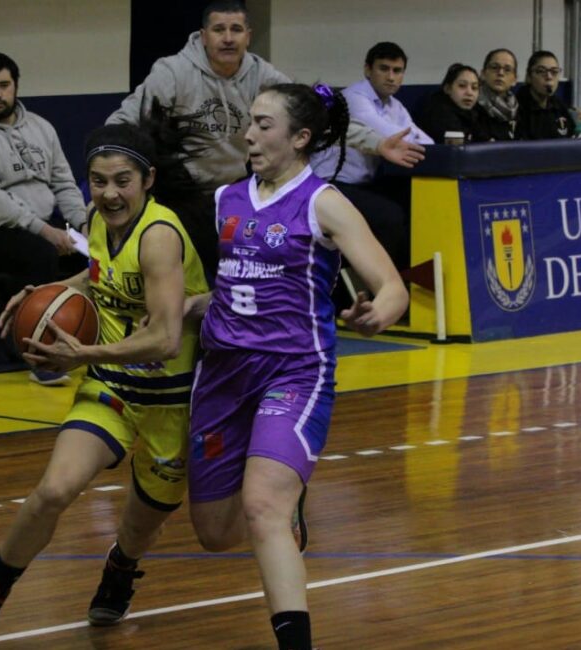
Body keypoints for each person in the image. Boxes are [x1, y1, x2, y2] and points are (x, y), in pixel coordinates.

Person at [0, 122, 210, 642]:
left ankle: (121, 568)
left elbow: (167, 338)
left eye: (121, 181)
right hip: (112, 387)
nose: (108, 193)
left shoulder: (160, 237)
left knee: (143, 522)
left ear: (147, 179)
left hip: (172, 399)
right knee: (54, 489)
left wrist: (82, 352)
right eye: (98, 181)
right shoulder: (98, 220)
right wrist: (49, 289)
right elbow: (98, 275)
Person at [183, 83, 409, 650]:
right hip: (222, 375)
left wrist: (377, 314)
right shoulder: (225, 201)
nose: (248, 135)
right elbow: (227, 289)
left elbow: (392, 289)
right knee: (215, 533)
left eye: (262, 125)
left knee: (263, 506)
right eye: (249, 123)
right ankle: (288, 496)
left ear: (300, 137)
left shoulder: (322, 201)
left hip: (294, 372)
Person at [107, 1, 424, 280]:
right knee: (188, 277)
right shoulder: (172, 72)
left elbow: (314, 114)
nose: (228, 38)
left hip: (233, 192)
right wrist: (110, 161)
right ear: (203, 36)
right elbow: (122, 122)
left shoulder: (262, 74)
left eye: (236, 29)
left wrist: (377, 144)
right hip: (181, 193)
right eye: (219, 30)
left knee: (239, 276)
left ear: (248, 34)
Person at [0, 51, 89, 386]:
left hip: (38, 225)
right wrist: (47, 232)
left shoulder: (42, 128)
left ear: (15, 86)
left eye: (3, 85)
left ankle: (94, 343)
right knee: (38, 254)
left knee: (97, 252)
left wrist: (83, 225)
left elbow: (65, 184)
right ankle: (39, 355)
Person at [311, 41, 431, 271]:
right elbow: (393, 137)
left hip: (362, 184)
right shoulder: (354, 98)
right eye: (383, 69)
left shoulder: (394, 105)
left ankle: (409, 279)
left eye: (397, 71)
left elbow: (423, 140)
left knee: (415, 200)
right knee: (390, 216)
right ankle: (378, 282)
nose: (391, 77)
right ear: (368, 70)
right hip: (328, 184)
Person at [417, 63, 490, 143]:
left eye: (474, 88)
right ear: (447, 89)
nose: (469, 92)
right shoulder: (439, 113)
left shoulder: (476, 111)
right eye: (462, 86)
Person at [515, 51, 576, 139]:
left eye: (554, 72)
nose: (549, 77)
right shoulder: (516, 109)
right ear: (529, 76)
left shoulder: (559, 106)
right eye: (541, 71)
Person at [477, 48, 520, 141]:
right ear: (483, 74)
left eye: (507, 69)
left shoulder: (520, 109)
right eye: (494, 67)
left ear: (515, 79)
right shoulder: (472, 105)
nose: (500, 73)